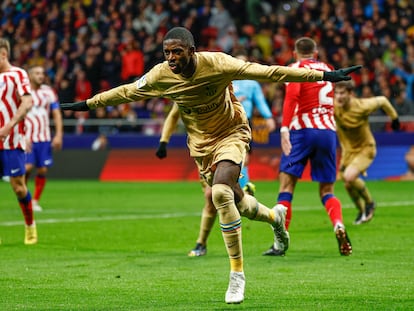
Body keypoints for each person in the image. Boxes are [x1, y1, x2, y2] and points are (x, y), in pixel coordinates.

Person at [61, 27, 360, 304]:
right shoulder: (160, 75)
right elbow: (126, 91)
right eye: (167, 52)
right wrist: (88, 104)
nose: (171, 58)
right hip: (200, 145)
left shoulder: (217, 63)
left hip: (232, 133)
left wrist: (323, 77)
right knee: (239, 204)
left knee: (219, 194)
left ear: (192, 50)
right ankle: (275, 219)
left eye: (177, 51)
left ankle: (237, 275)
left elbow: (266, 72)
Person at [263, 37, 353, 257]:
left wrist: (284, 130)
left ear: (295, 53)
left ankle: (280, 243)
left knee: (287, 186)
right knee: (327, 190)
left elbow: (292, 97)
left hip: (302, 132)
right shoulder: (328, 68)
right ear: (316, 52)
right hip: (328, 132)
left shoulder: (295, 68)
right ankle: (338, 224)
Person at [333, 80, 400, 224]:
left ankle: (370, 203)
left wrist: (394, 118)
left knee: (349, 176)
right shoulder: (333, 106)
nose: (338, 96)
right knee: (347, 183)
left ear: (350, 94)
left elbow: (382, 100)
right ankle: (361, 210)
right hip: (348, 151)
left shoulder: (362, 106)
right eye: (336, 93)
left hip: (366, 148)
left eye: (342, 93)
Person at [0, 38, 37, 245]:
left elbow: (27, 102)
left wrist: (9, 125)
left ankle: (30, 225)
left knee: (18, 187)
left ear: (3, 54)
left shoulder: (18, 75)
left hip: (11, 140)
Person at [25, 65, 63, 212]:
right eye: (37, 73)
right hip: (27, 137)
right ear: (30, 76)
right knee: (27, 168)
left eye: (42, 73)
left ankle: (34, 201)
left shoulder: (48, 92)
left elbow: (56, 113)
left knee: (42, 170)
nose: (41, 76)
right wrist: (19, 135)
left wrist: (59, 135)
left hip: (44, 137)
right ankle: (24, 197)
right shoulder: (23, 92)